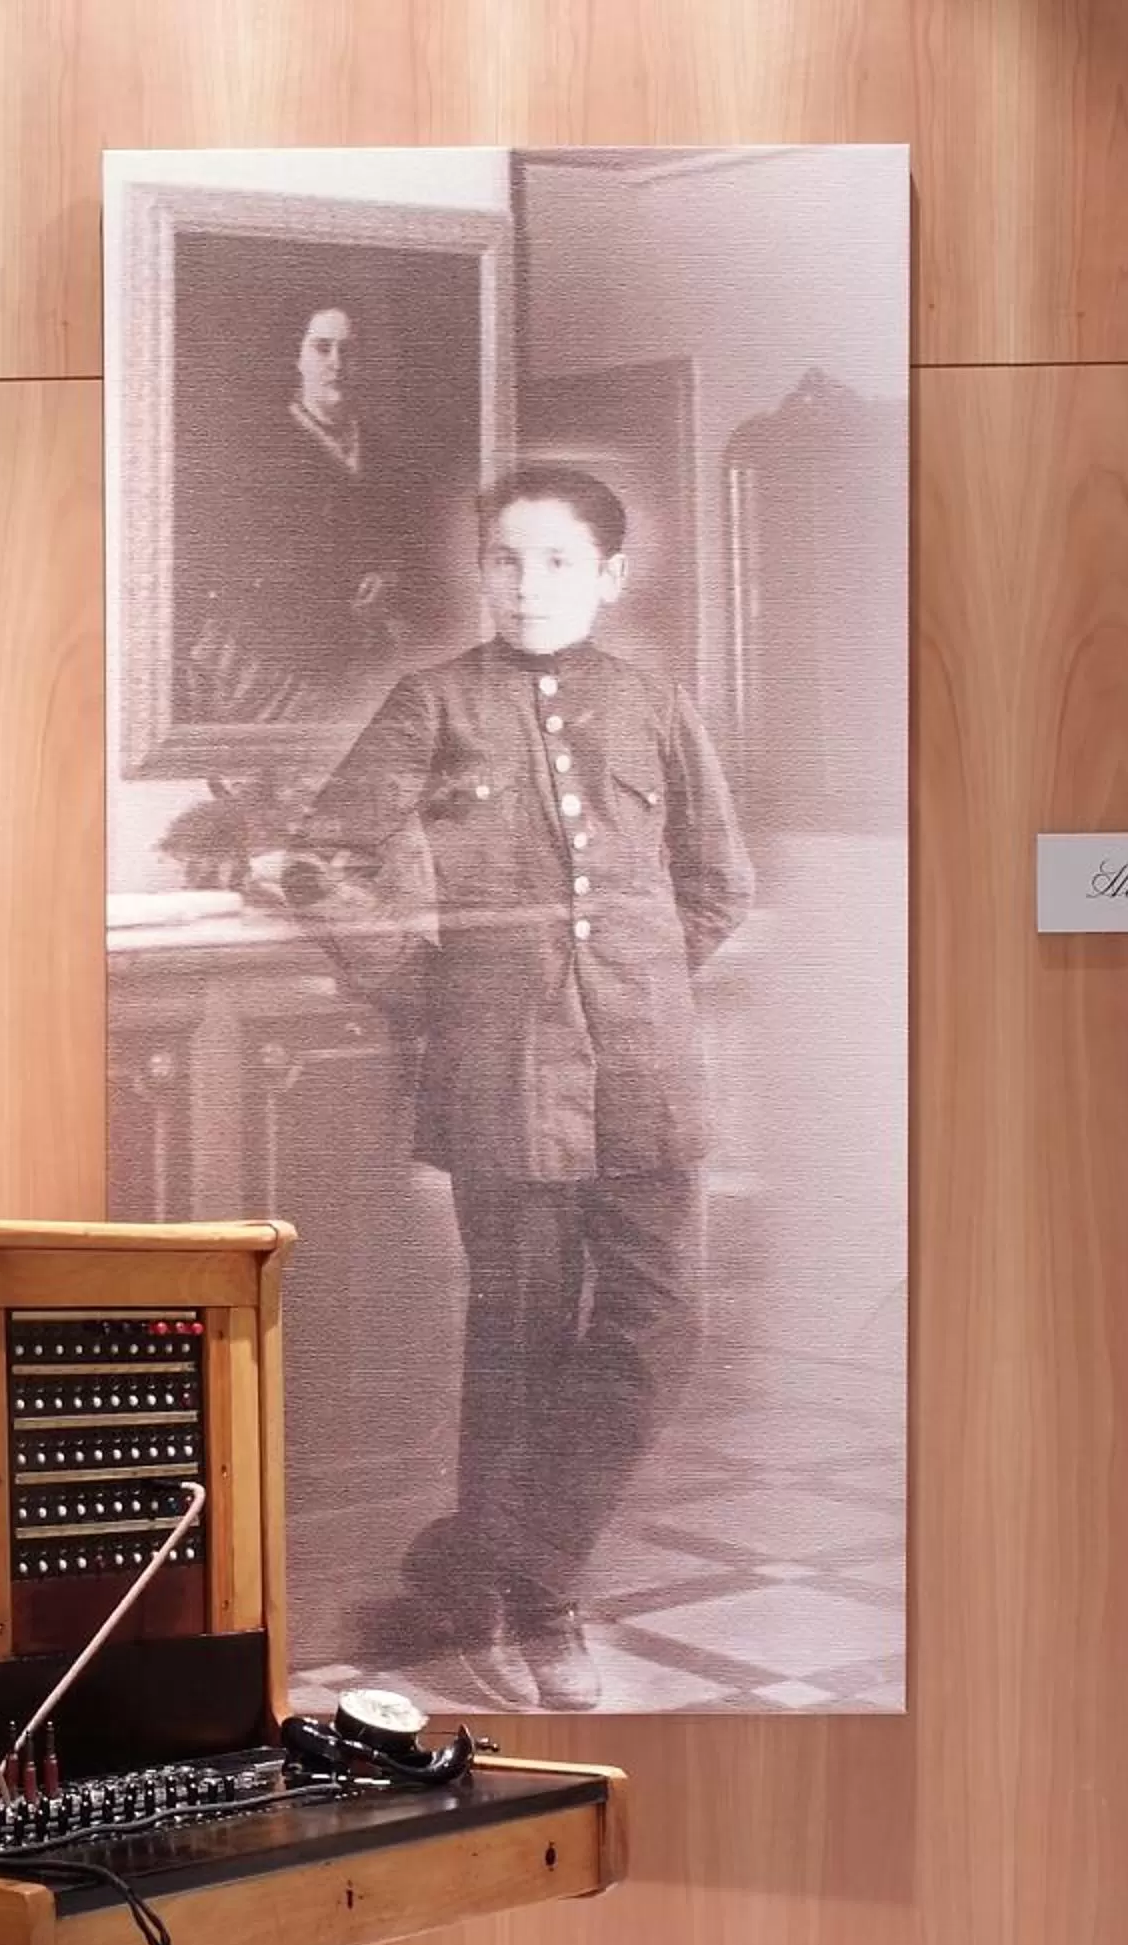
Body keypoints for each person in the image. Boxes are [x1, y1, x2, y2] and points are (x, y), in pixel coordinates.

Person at [281, 460, 754, 1710]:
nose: (526, 582)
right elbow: (321, 865)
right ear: (481, 572)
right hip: (502, 1081)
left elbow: (717, 883)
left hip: (647, 1079)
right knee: (521, 1344)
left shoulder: (653, 704)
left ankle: (479, 1563)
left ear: (606, 576)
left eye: (554, 561)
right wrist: (429, 990)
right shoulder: (432, 703)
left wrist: (631, 980)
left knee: (659, 1327)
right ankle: (537, 1610)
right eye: (505, 559)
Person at [179, 304, 408, 728]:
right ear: (297, 357)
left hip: (355, 657)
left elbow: (402, 541)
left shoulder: (385, 456)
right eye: (322, 348)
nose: (337, 363)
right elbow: (228, 556)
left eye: (349, 350)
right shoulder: (256, 448)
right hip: (268, 656)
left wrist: (389, 575)